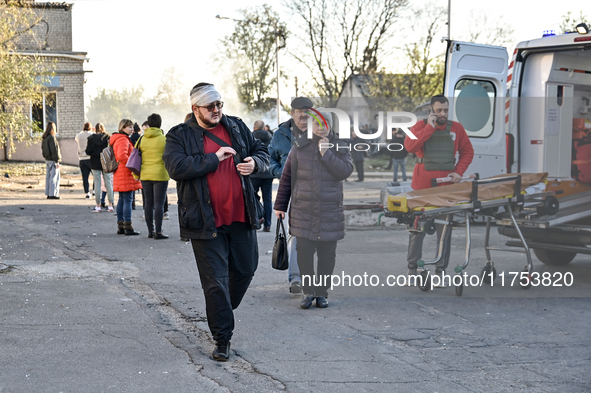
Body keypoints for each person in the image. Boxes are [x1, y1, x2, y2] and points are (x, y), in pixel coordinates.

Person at [162, 83, 269, 362]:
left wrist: (255, 163)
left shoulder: (236, 127)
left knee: (246, 269)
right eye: (210, 106)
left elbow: (263, 151)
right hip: (205, 222)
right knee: (215, 281)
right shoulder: (179, 135)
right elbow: (176, 168)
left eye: (219, 104)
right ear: (195, 108)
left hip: (241, 214)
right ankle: (223, 338)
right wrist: (214, 158)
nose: (216, 110)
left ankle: (219, 308)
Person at [274, 108, 353, 309]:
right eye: (317, 123)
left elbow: (344, 171)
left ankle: (322, 293)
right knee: (304, 254)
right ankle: (308, 293)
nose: (321, 127)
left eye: (325, 123)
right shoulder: (299, 148)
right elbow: (287, 179)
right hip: (303, 210)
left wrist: (326, 154)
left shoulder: (340, 146)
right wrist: (280, 205)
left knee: (327, 256)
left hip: (330, 211)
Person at [404, 95, 474, 283]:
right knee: (417, 229)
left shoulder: (456, 128)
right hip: (422, 188)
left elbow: (468, 151)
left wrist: (459, 171)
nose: (442, 114)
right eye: (438, 110)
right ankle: (412, 269)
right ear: (431, 110)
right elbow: (410, 146)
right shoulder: (419, 126)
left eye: (445, 110)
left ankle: (440, 271)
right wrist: (429, 127)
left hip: (446, 187)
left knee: (445, 231)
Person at [268, 96, 313, 295]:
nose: (304, 115)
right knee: (295, 234)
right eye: (300, 111)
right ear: (293, 113)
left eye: (307, 111)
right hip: (293, 191)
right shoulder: (280, 135)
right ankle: (296, 278)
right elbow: (271, 162)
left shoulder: (321, 132)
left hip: (318, 191)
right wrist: (283, 173)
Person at [137, 113, 170, 239]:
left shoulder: (142, 139)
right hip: (160, 174)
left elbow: (135, 157)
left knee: (148, 204)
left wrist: (136, 174)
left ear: (149, 124)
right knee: (159, 204)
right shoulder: (164, 139)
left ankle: (150, 231)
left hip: (145, 175)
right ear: (160, 124)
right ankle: (159, 232)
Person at [110, 119, 143, 235]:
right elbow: (122, 156)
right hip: (125, 172)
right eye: (129, 127)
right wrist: (133, 165)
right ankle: (128, 226)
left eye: (132, 127)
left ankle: (121, 225)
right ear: (122, 128)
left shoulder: (119, 139)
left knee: (122, 199)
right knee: (128, 199)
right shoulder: (123, 140)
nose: (132, 129)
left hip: (120, 172)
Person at [250, 119, 274, 232]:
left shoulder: (249, 138)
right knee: (267, 199)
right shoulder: (271, 138)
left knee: (252, 198)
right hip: (268, 173)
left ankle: (255, 221)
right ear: (265, 128)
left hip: (253, 173)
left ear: (254, 128)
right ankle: (268, 225)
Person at [85, 122, 114, 212]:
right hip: (106, 162)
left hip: (95, 162)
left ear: (95, 129)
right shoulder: (108, 137)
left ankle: (98, 205)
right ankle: (110, 205)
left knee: (97, 184)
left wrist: (95, 153)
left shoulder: (91, 138)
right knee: (108, 182)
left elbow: (88, 151)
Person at [41, 121, 61, 199]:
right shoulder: (52, 138)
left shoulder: (44, 137)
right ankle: (53, 194)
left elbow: (43, 148)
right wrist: (57, 160)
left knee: (48, 177)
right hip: (53, 160)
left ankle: (48, 193)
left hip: (47, 159)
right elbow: (54, 150)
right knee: (54, 177)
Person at [75, 122, 94, 198]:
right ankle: (94, 191)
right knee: (95, 176)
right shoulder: (92, 135)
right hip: (91, 158)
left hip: (82, 159)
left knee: (85, 177)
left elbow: (76, 138)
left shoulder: (79, 135)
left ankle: (87, 193)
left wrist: (83, 131)